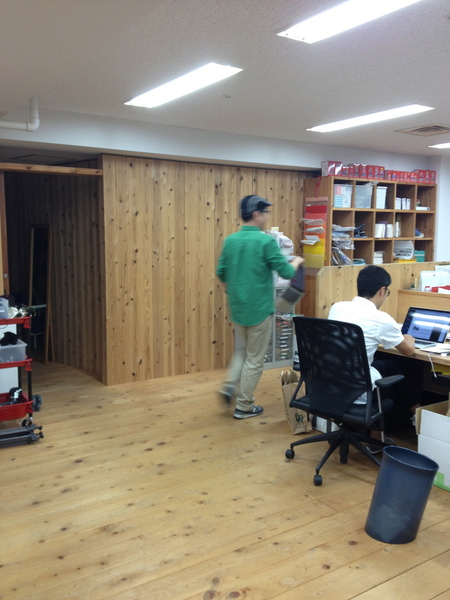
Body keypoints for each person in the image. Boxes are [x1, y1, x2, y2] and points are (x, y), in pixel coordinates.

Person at [216, 194, 304, 419]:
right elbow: (286, 272)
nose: (267, 216)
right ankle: (244, 406)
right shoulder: (265, 242)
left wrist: (232, 292)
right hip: (260, 310)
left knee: (241, 351)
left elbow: (221, 273)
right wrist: (296, 261)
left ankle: (229, 385)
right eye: (265, 213)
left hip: (238, 308)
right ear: (256, 214)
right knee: (255, 360)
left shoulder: (230, 241)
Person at [328, 265, 419, 443]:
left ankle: (417, 410)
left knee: (389, 365)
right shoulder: (381, 319)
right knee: (393, 375)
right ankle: (377, 439)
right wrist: (409, 339)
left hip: (329, 381)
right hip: (356, 386)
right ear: (382, 290)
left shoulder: (337, 308)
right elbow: (408, 351)